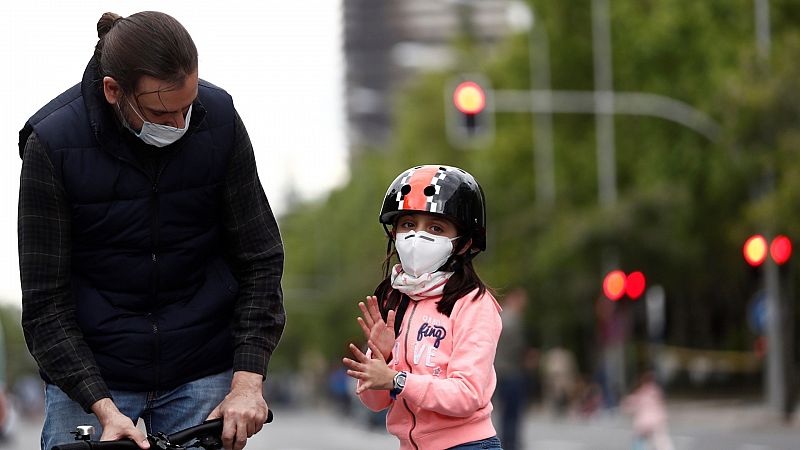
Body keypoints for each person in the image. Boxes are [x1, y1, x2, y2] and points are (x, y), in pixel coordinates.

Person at [17, 11, 285, 450]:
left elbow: (260, 257)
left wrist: (247, 380)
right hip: (93, 379)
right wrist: (101, 406)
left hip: (200, 365)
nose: (181, 125)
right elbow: (45, 304)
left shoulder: (218, 120)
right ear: (113, 91)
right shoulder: (51, 145)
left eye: (188, 106)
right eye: (163, 112)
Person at [342, 165, 504, 450]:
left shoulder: (474, 304)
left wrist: (397, 379)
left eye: (436, 228)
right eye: (408, 224)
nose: (417, 236)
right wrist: (385, 356)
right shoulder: (395, 300)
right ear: (394, 233)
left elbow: (468, 395)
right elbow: (373, 402)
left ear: (464, 243)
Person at [493, 288, 533, 450]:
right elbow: (518, 349)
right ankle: (512, 444)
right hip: (512, 372)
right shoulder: (514, 320)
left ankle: (505, 442)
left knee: (504, 413)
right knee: (513, 413)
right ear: (514, 298)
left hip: (499, 371)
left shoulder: (499, 317)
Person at [621, 371, 674, 450]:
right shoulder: (656, 391)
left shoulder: (641, 392)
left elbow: (629, 405)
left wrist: (627, 406)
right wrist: (664, 417)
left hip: (643, 423)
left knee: (639, 442)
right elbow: (661, 406)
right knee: (661, 442)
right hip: (656, 422)